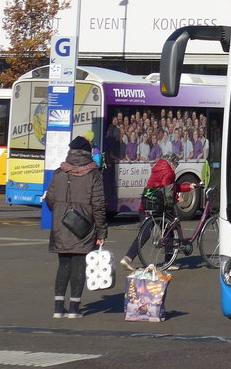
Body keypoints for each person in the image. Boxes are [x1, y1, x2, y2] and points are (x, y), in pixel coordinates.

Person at [44, 135, 107, 318]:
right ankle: (74, 309)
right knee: (79, 265)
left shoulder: (59, 172)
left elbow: (50, 200)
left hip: (61, 224)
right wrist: (101, 231)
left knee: (63, 264)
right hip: (84, 226)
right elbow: (98, 205)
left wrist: (61, 213)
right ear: (88, 153)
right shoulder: (94, 175)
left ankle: (58, 308)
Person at [120, 152, 183, 270]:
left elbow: (170, 186)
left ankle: (128, 258)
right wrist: (176, 197)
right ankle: (169, 262)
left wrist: (189, 186)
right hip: (157, 206)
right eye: (176, 164)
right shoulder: (169, 172)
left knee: (145, 232)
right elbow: (166, 190)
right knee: (168, 230)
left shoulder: (157, 168)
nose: (176, 167)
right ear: (172, 163)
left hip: (145, 205)